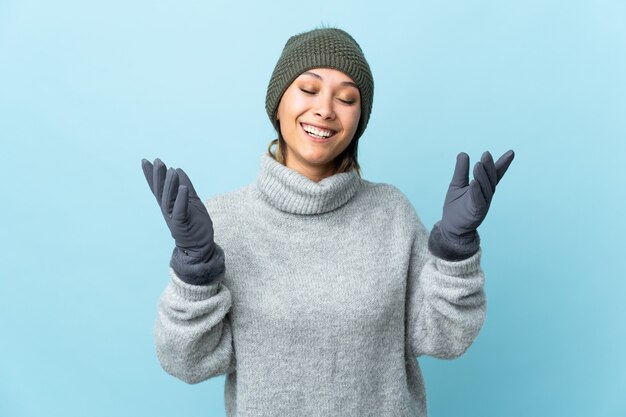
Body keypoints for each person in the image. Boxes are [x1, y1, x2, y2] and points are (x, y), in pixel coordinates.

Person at [141, 27, 514, 417]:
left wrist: (456, 250)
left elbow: (446, 337)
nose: (325, 109)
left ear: (358, 121)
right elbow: (185, 361)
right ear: (278, 104)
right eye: (309, 88)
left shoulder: (391, 213)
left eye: (347, 98)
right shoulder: (224, 224)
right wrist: (195, 269)